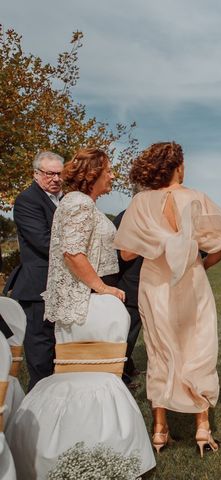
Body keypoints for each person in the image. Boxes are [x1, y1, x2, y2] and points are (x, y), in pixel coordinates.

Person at [114, 142, 221, 455]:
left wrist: (157, 241)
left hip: (154, 283)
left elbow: (126, 252)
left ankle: (160, 430)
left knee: (160, 351)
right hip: (191, 280)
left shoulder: (140, 203)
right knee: (198, 347)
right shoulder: (195, 197)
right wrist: (197, 261)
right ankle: (202, 427)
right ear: (178, 166)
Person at [42, 148, 125, 328]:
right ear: (92, 174)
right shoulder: (79, 202)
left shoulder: (85, 203)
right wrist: (103, 288)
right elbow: (73, 253)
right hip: (88, 299)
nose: (113, 176)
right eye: (108, 171)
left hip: (94, 294)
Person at [3, 152, 64, 390]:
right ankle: (39, 409)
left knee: (58, 351)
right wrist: (80, 250)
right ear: (36, 174)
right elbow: (43, 241)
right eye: (50, 173)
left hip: (60, 286)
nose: (56, 178)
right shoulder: (27, 200)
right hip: (37, 287)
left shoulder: (65, 198)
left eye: (60, 173)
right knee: (41, 357)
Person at [113, 201, 144, 389]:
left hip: (140, 283)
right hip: (130, 284)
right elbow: (120, 253)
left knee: (130, 333)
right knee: (126, 335)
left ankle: (128, 367)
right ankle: (119, 378)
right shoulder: (128, 217)